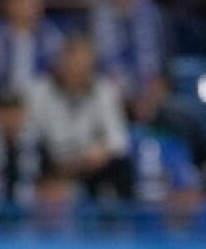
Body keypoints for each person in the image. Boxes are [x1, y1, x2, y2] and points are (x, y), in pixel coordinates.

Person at [27, 38, 134, 201]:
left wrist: (101, 152)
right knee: (29, 155)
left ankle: (120, 215)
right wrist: (56, 160)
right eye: (72, 63)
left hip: (88, 163)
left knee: (121, 165)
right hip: (51, 161)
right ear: (61, 62)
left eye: (83, 65)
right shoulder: (39, 92)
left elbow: (119, 139)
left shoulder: (104, 91)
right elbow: (29, 132)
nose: (77, 70)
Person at [0, 0, 64, 97]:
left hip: (42, 98)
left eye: (33, 1)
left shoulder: (51, 37)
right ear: (8, 5)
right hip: (1, 98)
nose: (28, 6)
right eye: (21, 1)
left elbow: (57, 70)